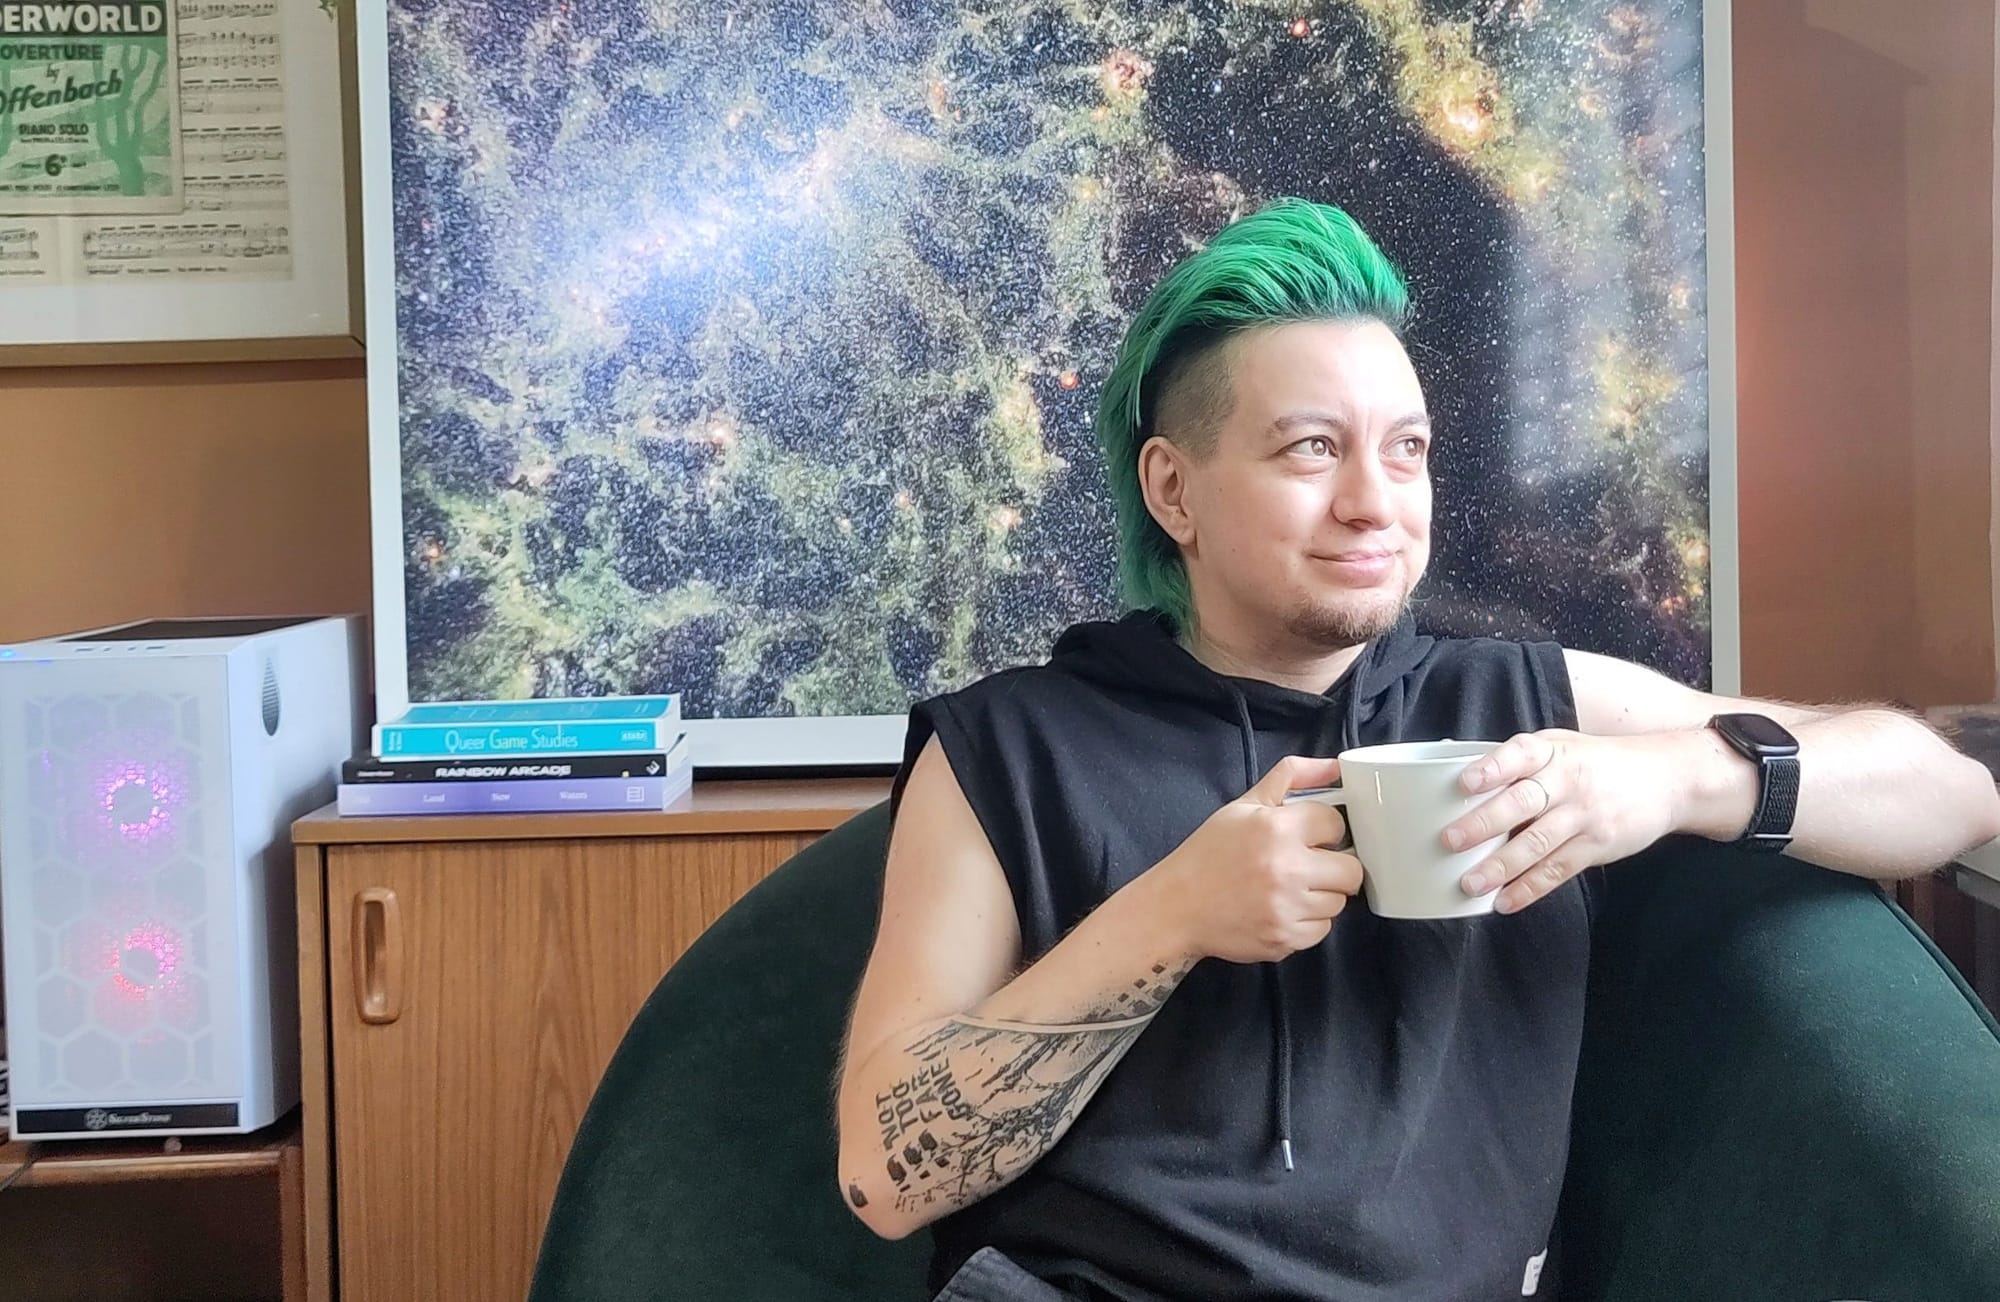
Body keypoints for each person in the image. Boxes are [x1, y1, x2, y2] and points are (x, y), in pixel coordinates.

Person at [832, 199, 2000, 1302]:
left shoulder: (1522, 702)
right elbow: (882, 1177)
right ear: (1172, 490)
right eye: (1307, 450)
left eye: (1406, 449)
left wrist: (1682, 776)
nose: (1372, 503)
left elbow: (1959, 787)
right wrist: (1167, 917)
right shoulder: (1008, 745)